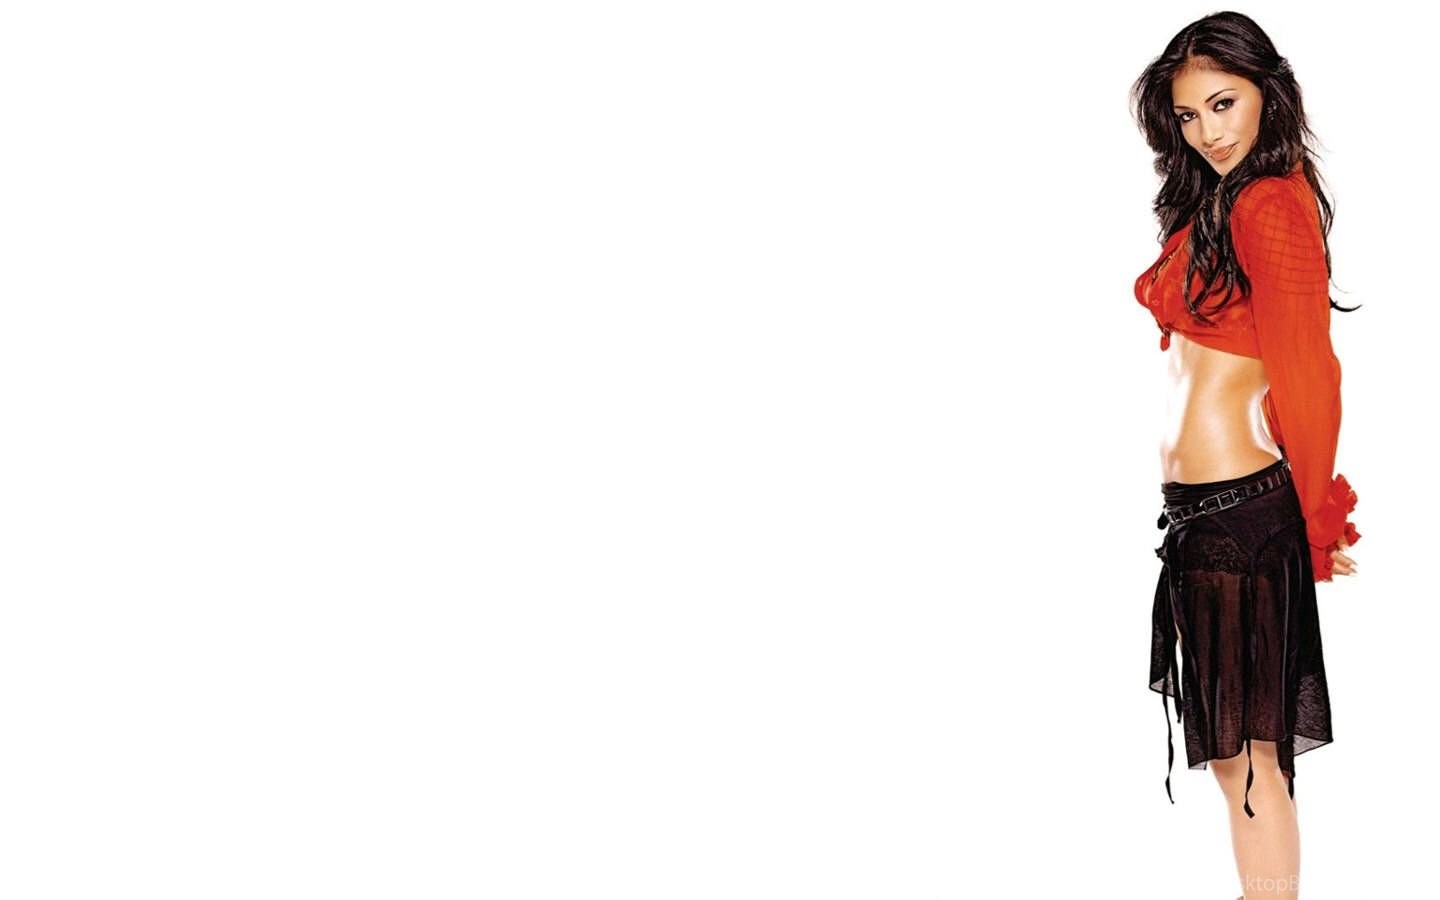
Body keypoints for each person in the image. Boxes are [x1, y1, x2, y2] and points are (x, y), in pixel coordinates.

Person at [1129, 12, 1363, 898]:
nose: (1209, 131)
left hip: (1238, 514)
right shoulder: (1222, 200)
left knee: (1250, 757)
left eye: (1224, 104)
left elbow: (1309, 371)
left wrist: (1318, 519)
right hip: (1206, 516)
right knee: (1241, 759)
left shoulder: (1268, 203)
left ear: (1268, 90)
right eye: (1189, 115)